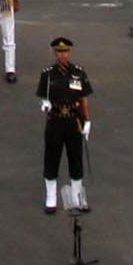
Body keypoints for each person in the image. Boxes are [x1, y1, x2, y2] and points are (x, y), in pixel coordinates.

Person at [36, 36, 94, 215]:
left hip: (73, 120)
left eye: (66, 51)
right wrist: (45, 104)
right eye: (59, 52)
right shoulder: (48, 74)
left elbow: (84, 99)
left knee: (75, 158)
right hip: (55, 120)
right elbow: (44, 96)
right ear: (55, 53)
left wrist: (88, 121)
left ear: (70, 52)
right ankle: (51, 198)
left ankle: (77, 196)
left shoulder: (79, 73)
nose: (63, 55)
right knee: (52, 158)